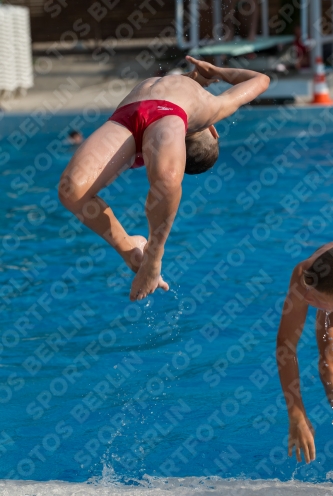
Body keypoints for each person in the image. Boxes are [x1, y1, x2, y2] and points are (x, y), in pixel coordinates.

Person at [58, 56, 270, 301]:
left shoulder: (211, 110)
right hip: (135, 122)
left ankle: (150, 258)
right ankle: (131, 249)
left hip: (154, 116)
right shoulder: (195, 93)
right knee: (70, 190)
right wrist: (205, 75)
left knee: (166, 180)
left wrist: (218, 71)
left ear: (213, 130)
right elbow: (260, 81)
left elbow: (260, 79)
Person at [277, 243, 333, 464]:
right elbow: (286, 344)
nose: (307, 300)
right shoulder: (305, 276)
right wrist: (296, 414)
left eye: (317, 300)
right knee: (328, 367)